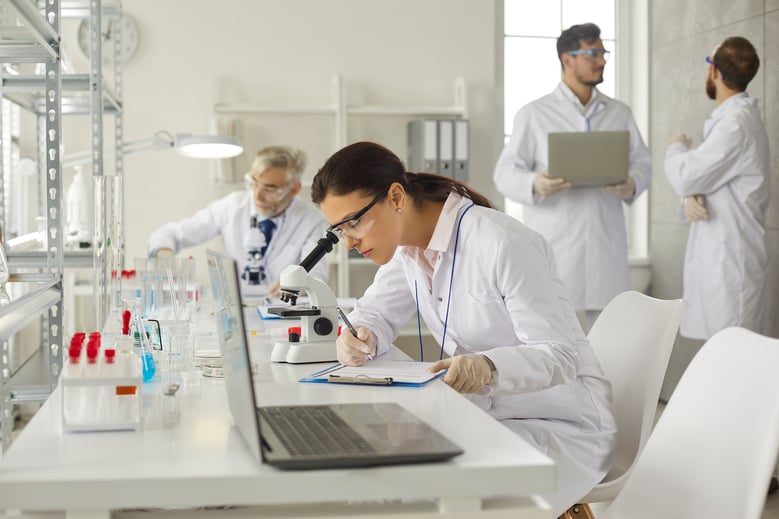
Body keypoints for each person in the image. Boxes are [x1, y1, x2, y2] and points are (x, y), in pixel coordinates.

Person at [311, 141, 617, 515]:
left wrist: (489, 365)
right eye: (339, 229)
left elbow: (561, 354)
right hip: (484, 415)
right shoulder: (406, 248)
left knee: (409, 486)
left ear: (395, 197)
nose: (348, 242)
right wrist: (360, 334)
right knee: (374, 474)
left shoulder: (503, 243)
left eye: (354, 222)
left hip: (560, 425)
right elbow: (374, 312)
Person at [664, 36, 773, 495]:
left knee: (738, 367)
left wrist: (675, 148)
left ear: (713, 72)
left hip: (734, 263)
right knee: (724, 362)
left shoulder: (736, 124)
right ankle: (733, 465)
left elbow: (690, 172)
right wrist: (690, 198)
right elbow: (708, 184)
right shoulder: (731, 122)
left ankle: (751, 473)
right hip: (723, 258)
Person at [493, 22, 651, 331]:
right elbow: (504, 174)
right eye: (593, 53)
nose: (602, 60)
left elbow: (643, 164)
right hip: (557, 245)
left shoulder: (619, 112)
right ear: (568, 58)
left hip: (605, 244)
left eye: (603, 52)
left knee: (611, 342)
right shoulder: (534, 113)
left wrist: (631, 182)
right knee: (552, 339)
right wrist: (536, 183)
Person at [148, 146, 328, 295]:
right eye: (254, 183)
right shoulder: (232, 206)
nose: (257, 195)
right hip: (235, 309)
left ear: (294, 189)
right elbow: (168, 234)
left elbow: (316, 274)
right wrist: (165, 254)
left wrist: (299, 283)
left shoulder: (310, 220)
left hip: (281, 312)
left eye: (270, 188)